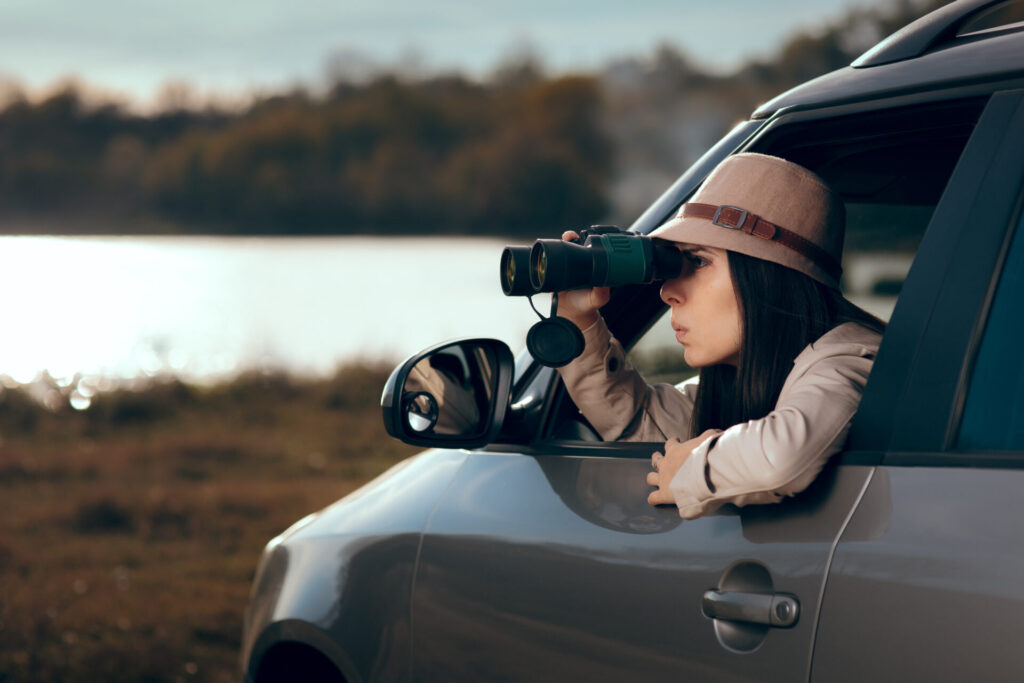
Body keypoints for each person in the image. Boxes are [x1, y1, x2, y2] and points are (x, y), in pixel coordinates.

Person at [555, 152, 885, 520]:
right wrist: (579, 317)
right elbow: (639, 425)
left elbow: (782, 457)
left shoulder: (850, 357)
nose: (667, 293)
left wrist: (693, 467)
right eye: (673, 263)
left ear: (769, 276)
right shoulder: (748, 376)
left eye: (697, 261)